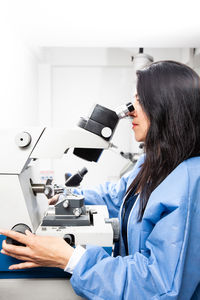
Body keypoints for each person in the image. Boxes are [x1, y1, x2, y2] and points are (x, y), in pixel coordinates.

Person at [1, 60, 200, 300]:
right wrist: (69, 197)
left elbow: (161, 285)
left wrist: (70, 258)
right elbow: (118, 196)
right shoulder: (154, 161)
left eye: (139, 99)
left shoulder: (192, 181)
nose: (130, 111)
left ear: (167, 106)